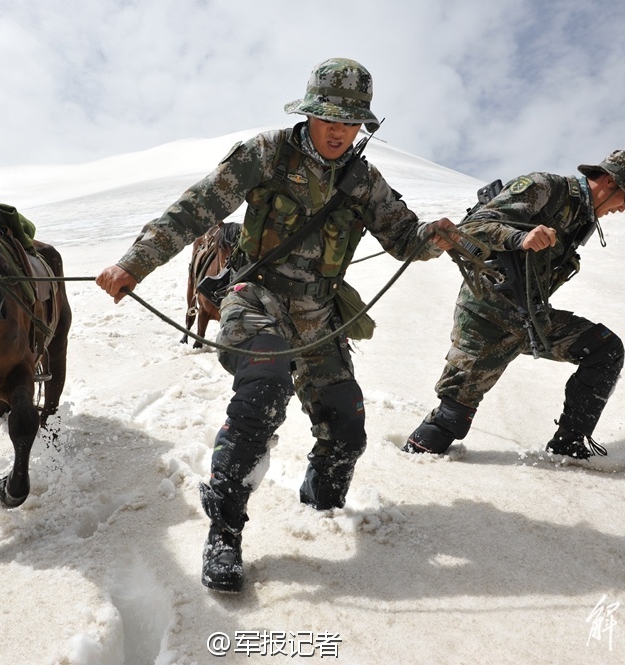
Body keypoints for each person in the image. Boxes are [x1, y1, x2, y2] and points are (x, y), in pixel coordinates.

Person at [97, 57, 457, 592]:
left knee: (347, 428)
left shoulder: (364, 180)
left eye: (350, 121)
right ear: (310, 113)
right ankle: (224, 530)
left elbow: (403, 237)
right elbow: (194, 209)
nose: (339, 130)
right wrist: (135, 263)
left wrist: (434, 237)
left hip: (321, 318)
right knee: (263, 391)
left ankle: (321, 510)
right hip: (256, 297)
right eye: (329, 117)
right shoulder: (266, 153)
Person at [403, 150, 625, 461]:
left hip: (530, 319)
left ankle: (568, 448)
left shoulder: (580, 220)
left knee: (605, 350)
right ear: (609, 181)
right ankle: (409, 467)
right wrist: (518, 237)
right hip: (485, 316)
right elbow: (470, 228)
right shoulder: (544, 188)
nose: (623, 210)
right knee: (450, 419)